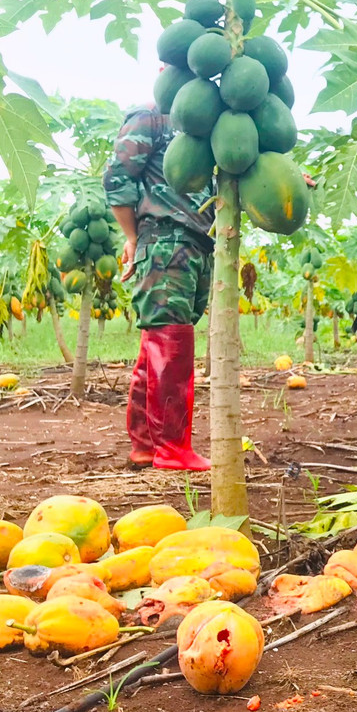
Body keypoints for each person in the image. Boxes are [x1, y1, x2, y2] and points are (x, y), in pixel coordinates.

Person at [104, 103, 214, 471]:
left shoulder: (207, 120)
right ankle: (172, 448)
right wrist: (133, 237)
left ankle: (148, 444)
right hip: (166, 239)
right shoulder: (151, 118)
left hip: (197, 241)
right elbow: (117, 177)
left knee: (160, 341)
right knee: (171, 344)